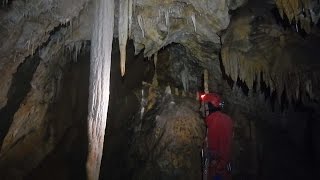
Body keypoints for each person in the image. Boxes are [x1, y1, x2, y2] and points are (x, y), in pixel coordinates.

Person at [200, 93, 233, 180]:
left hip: (219, 173)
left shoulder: (221, 121)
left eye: (203, 106)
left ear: (209, 106)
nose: (200, 109)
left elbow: (225, 148)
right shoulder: (212, 121)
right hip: (214, 169)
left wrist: (219, 167)